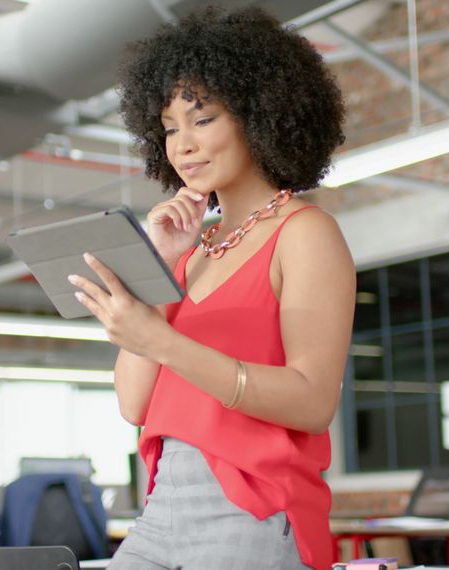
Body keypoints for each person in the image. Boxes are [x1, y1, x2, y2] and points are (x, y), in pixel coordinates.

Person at [69, 7, 354, 569]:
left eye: (202, 120)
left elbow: (313, 401)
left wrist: (162, 341)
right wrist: (158, 272)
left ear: (259, 114)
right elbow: (134, 404)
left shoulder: (305, 233)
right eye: (170, 128)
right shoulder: (189, 253)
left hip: (253, 505)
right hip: (160, 503)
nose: (183, 145)